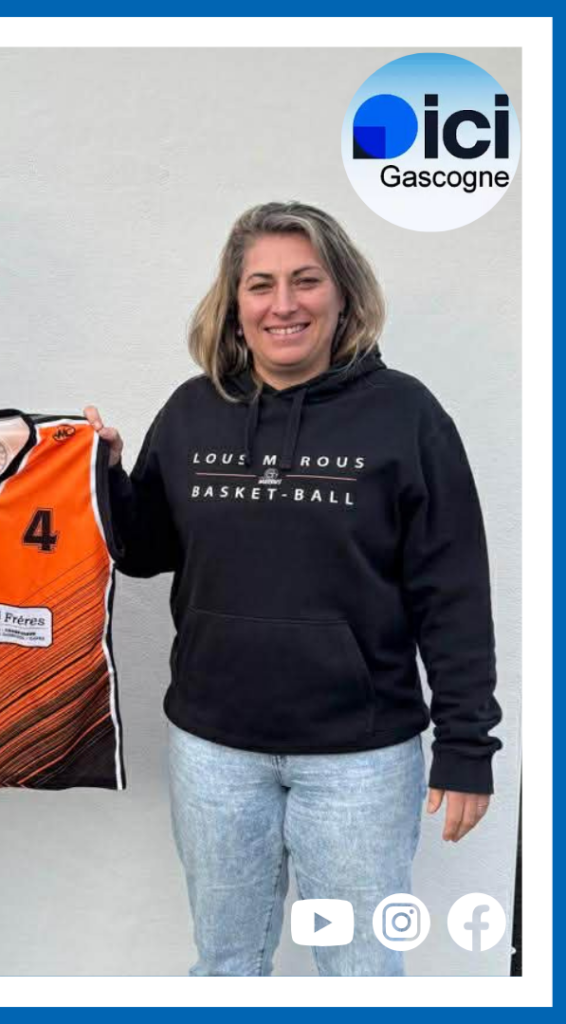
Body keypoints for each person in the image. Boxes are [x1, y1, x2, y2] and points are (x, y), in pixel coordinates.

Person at [85, 201, 502, 977]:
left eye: (306, 281)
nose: (284, 304)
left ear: (343, 295)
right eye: (261, 284)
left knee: (360, 975)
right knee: (226, 969)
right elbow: (143, 553)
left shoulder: (406, 415)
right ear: (234, 304)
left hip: (360, 759)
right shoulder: (193, 411)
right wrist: (103, 479)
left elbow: (452, 591)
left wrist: (467, 746)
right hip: (214, 750)